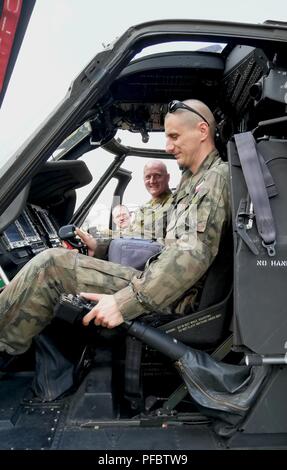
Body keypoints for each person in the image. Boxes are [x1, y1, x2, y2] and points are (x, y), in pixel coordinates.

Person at [0, 99, 230, 366]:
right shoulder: (194, 180)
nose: (168, 147)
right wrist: (103, 247)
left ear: (202, 131)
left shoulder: (213, 180)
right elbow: (165, 239)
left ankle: (4, 351)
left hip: (176, 297)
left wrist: (125, 303)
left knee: (51, 266)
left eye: (174, 137)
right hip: (163, 284)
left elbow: (188, 259)